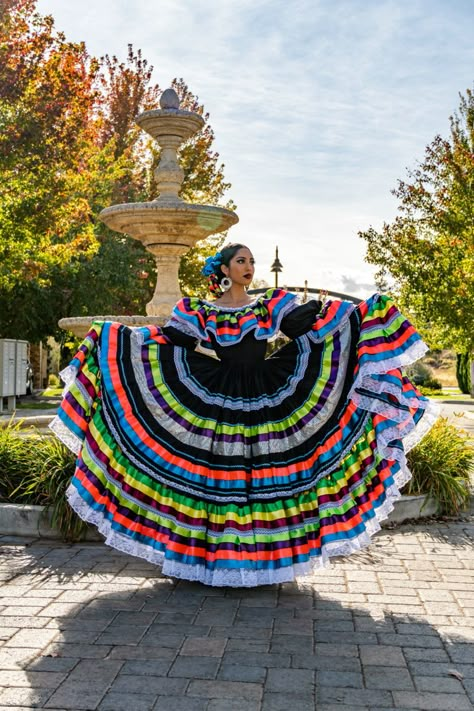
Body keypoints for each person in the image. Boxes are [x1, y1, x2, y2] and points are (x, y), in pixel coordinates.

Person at [50, 243, 437, 587]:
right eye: (240, 260)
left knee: (272, 473)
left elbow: (306, 325)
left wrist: (356, 316)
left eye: (251, 261)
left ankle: (264, 563)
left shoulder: (270, 303)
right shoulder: (201, 311)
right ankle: (214, 561)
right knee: (217, 478)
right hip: (218, 392)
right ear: (225, 269)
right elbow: (173, 342)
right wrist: (119, 338)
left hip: (269, 390)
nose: (249, 266)